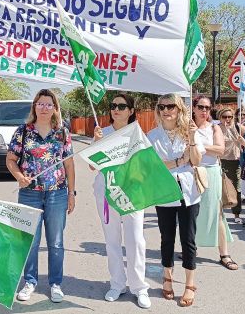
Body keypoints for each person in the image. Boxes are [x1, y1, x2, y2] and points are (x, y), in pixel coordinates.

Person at [6, 89, 75, 304]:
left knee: (55, 242)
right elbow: (10, 160)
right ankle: (30, 282)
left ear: (55, 108)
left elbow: (69, 164)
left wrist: (71, 194)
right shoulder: (23, 131)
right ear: (34, 106)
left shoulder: (62, 132)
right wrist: (19, 177)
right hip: (30, 195)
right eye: (41, 104)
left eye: (49, 104)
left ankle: (55, 283)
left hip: (57, 194)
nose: (44, 108)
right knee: (30, 242)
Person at [91, 93, 150, 308]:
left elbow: (145, 166)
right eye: (113, 105)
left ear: (131, 111)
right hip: (107, 193)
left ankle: (139, 287)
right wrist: (97, 144)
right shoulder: (102, 133)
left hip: (132, 193)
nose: (116, 109)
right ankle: (117, 284)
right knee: (112, 240)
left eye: (122, 106)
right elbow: (92, 166)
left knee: (135, 240)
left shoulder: (138, 134)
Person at [146, 93, 202, 307]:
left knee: (188, 239)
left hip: (189, 192)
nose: (166, 110)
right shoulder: (152, 136)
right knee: (166, 238)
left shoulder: (189, 132)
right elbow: (155, 166)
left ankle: (190, 284)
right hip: (164, 191)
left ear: (179, 109)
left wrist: (193, 140)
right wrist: (179, 160)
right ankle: (167, 277)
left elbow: (195, 161)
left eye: (171, 106)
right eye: (162, 107)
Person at [193, 97, 236, 270]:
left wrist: (199, 146)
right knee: (191, 212)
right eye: (201, 107)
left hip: (210, 172)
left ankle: (224, 254)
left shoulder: (214, 127)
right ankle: (191, 247)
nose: (204, 110)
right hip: (191, 171)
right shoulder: (187, 127)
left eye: (207, 107)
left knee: (217, 213)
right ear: (194, 108)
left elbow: (220, 149)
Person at [219, 108, 243, 224]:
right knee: (220, 188)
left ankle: (236, 213)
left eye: (230, 117)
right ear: (220, 117)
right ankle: (219, 213)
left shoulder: (238, 127)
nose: (227, 119)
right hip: (220, 161)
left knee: (236, 188)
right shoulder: (217, 129)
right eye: (224, 117)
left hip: (235, 161)